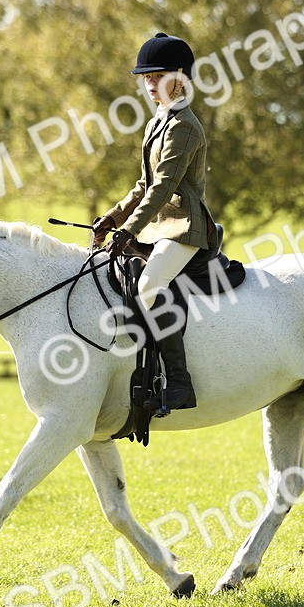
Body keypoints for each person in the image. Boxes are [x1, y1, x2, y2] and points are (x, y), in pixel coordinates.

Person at [91, 32, 215, 412]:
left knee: (148, 285)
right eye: (146, 78)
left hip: (183, 225)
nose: (149, 84)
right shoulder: (156, 123)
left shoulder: (185, 126)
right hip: (157, 225)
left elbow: (163, 188)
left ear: (180, 77)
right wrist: (112, 218)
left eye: (157, 76)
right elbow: (143, 185)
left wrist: (129, 229)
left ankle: (180, 383)